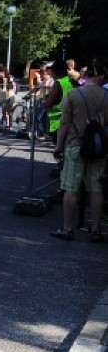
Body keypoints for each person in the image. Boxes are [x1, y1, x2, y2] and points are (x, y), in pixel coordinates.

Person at [50, 65, 108, 241]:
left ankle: (68, 228)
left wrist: (58, 146)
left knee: (71, 188)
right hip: (98, 147)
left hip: (76, 144)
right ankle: (96, 229)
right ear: (100, 76)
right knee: (96, 188)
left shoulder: (74, 94)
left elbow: (64, 123)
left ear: (87, 75)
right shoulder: (106, 95)